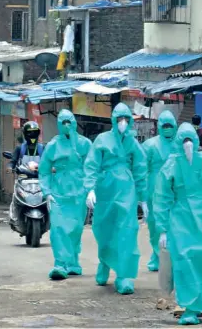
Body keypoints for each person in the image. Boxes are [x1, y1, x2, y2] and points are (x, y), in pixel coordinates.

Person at [154, 123, 202, 325]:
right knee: (184, 260)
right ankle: (189, 307)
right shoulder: (171, 165)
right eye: (184, 140)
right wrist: (163, 229)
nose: (187, 145)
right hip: (180, 218)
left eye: (190, 140)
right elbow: (162, 198)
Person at [84, 102, 148, 295]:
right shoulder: (102, 140)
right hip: (105, 189)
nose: (122, 122)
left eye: (125, 119)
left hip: (126, 190)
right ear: (113, 120)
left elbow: (140, 169)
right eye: (119, 119)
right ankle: (104, 263)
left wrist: (143, 199)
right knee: (105, 229)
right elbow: (91, 165)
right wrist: (90, 189)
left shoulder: (132, 143)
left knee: (127, 230)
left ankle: (124, 274)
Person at [38, 109, 92, 280]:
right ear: (59, 125)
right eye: (64, 123)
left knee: (75, 229)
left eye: (70, 122)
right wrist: (46, 192)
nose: (67, 126)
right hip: (59, 193)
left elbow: (92, 167)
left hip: (79, 193)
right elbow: (44, 170)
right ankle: (60, 264)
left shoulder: (85, 144)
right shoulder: (53, 145)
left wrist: (91, 189)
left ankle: (73, 262)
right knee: (59, 229)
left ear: (75, 123)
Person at [142, 110, 177, 272]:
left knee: (174, 224)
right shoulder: (150, 145)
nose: (168, 129)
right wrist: (142, 196)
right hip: (154, 189)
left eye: (171, 125)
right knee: (155, 225)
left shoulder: (179, 144)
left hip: (175, 188)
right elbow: (141, 169)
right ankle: (157, 256)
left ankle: (170, 257)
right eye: (165, 125)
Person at [7, 121, 44, 230]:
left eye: (34, 132)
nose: (32, 135)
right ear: (25, 133)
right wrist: (10, 167)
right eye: (29, 133)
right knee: (15, 197)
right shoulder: (20, 149)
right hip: (23, 180)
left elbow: (48, 162)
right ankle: (14, 216)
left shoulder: (43, 149)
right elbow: (12, 161)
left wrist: (52, 168)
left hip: (40, 179)